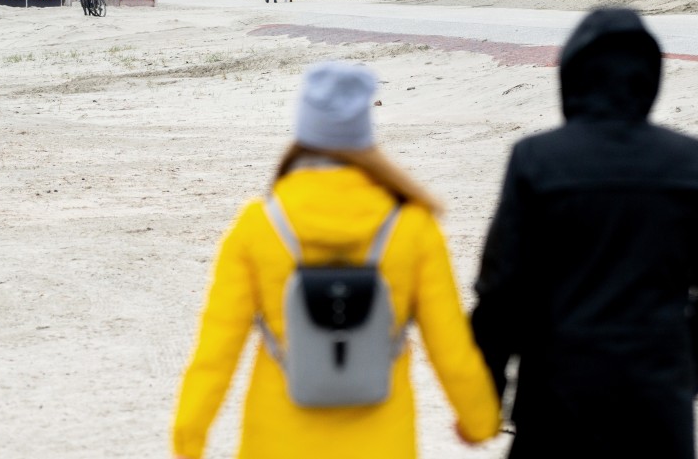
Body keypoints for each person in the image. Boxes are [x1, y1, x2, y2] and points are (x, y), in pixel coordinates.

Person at [173, 61, 500, 459]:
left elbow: (216, 350)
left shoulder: (259, 225)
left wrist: (189, 438)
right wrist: (479, 421)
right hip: (384, 443)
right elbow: (450, 346)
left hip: (277, 442)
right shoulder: (412, 226)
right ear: (364, 135)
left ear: (304, 132)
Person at [471, 8, 698, 459]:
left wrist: (488, 389)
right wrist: (683, 372)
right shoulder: (690, 161)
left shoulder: (537, 159)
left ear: (572, 76)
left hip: (556, 395)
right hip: (657, 400)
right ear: (650, 77)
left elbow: (501, 293)